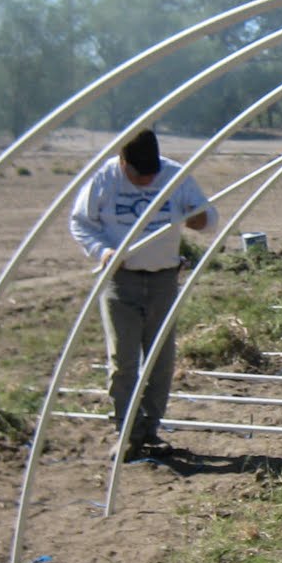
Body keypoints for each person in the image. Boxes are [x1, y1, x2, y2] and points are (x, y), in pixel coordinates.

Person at [69, 130, 217, 460]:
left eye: (151, 174)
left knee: (160, 361)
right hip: (121, 281)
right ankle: (127, 433)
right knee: (123, 362)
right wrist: (102, 251)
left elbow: (209, 220)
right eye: (139, 175)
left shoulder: (175, 176)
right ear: (123, 162)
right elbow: (80, 223)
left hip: (164, 280)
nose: (147, 180)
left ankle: (150, 430)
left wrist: (197, 218)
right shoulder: (104, 178)